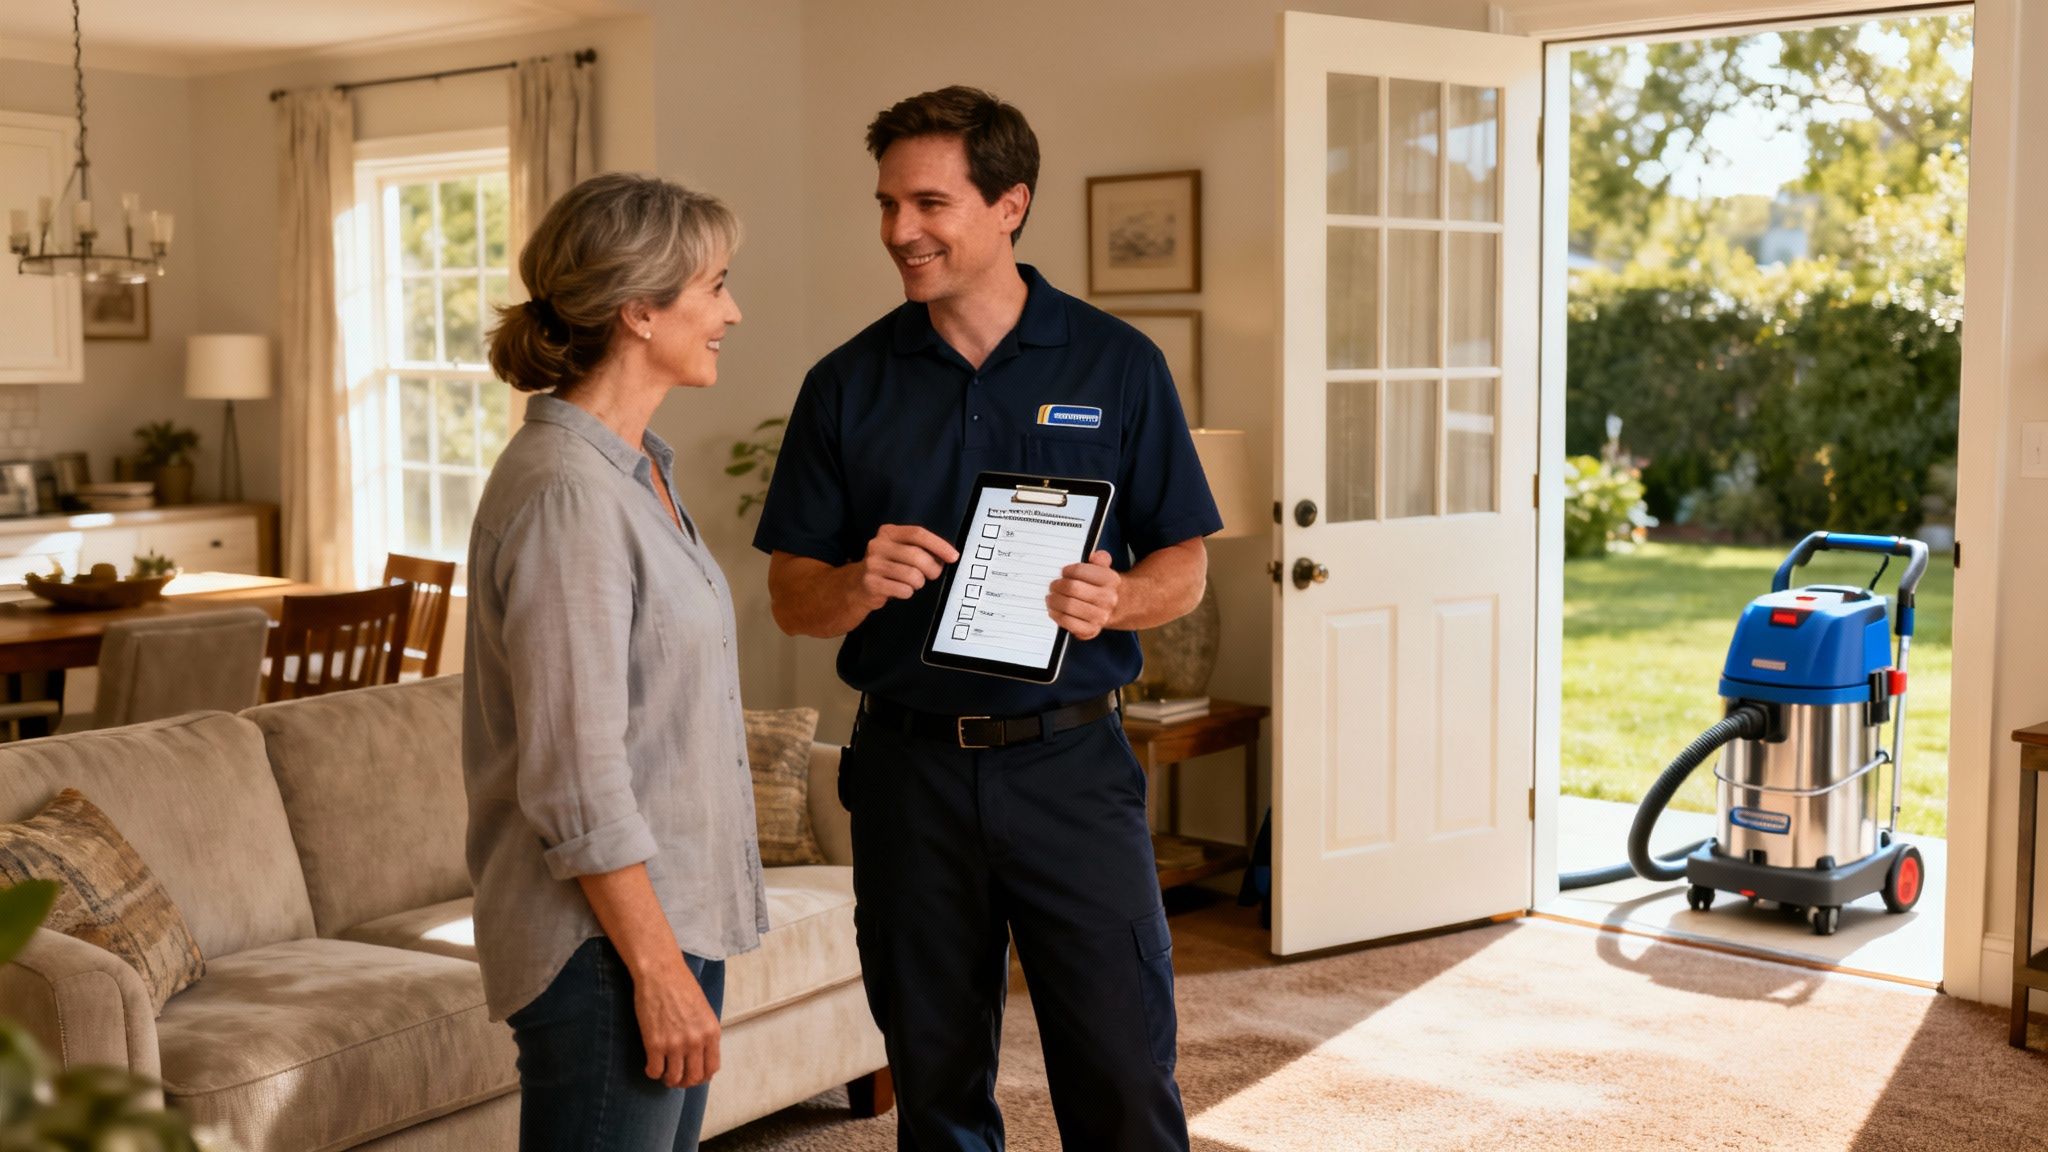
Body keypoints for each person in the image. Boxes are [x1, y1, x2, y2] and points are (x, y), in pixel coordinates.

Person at [755, 86, 1219, 1151]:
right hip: (907, 775)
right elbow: (792, 596)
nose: (899, 232)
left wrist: (1122, 596)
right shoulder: (845, 383)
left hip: (1069, 769)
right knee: (936, 1080)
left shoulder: (1117, 365)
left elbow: (1184, 564)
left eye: (927, 202)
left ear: (1009, 205)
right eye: (885, 205)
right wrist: (856, 580)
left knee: (1120, 1071)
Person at [464, 171, 763, 1152]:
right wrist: (657, 970)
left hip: (664, 921)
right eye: (713, 285)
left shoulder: (638, 475)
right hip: (603, 946)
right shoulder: (568, 498)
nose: (730, 310)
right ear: (638, 309)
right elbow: (575, 776)